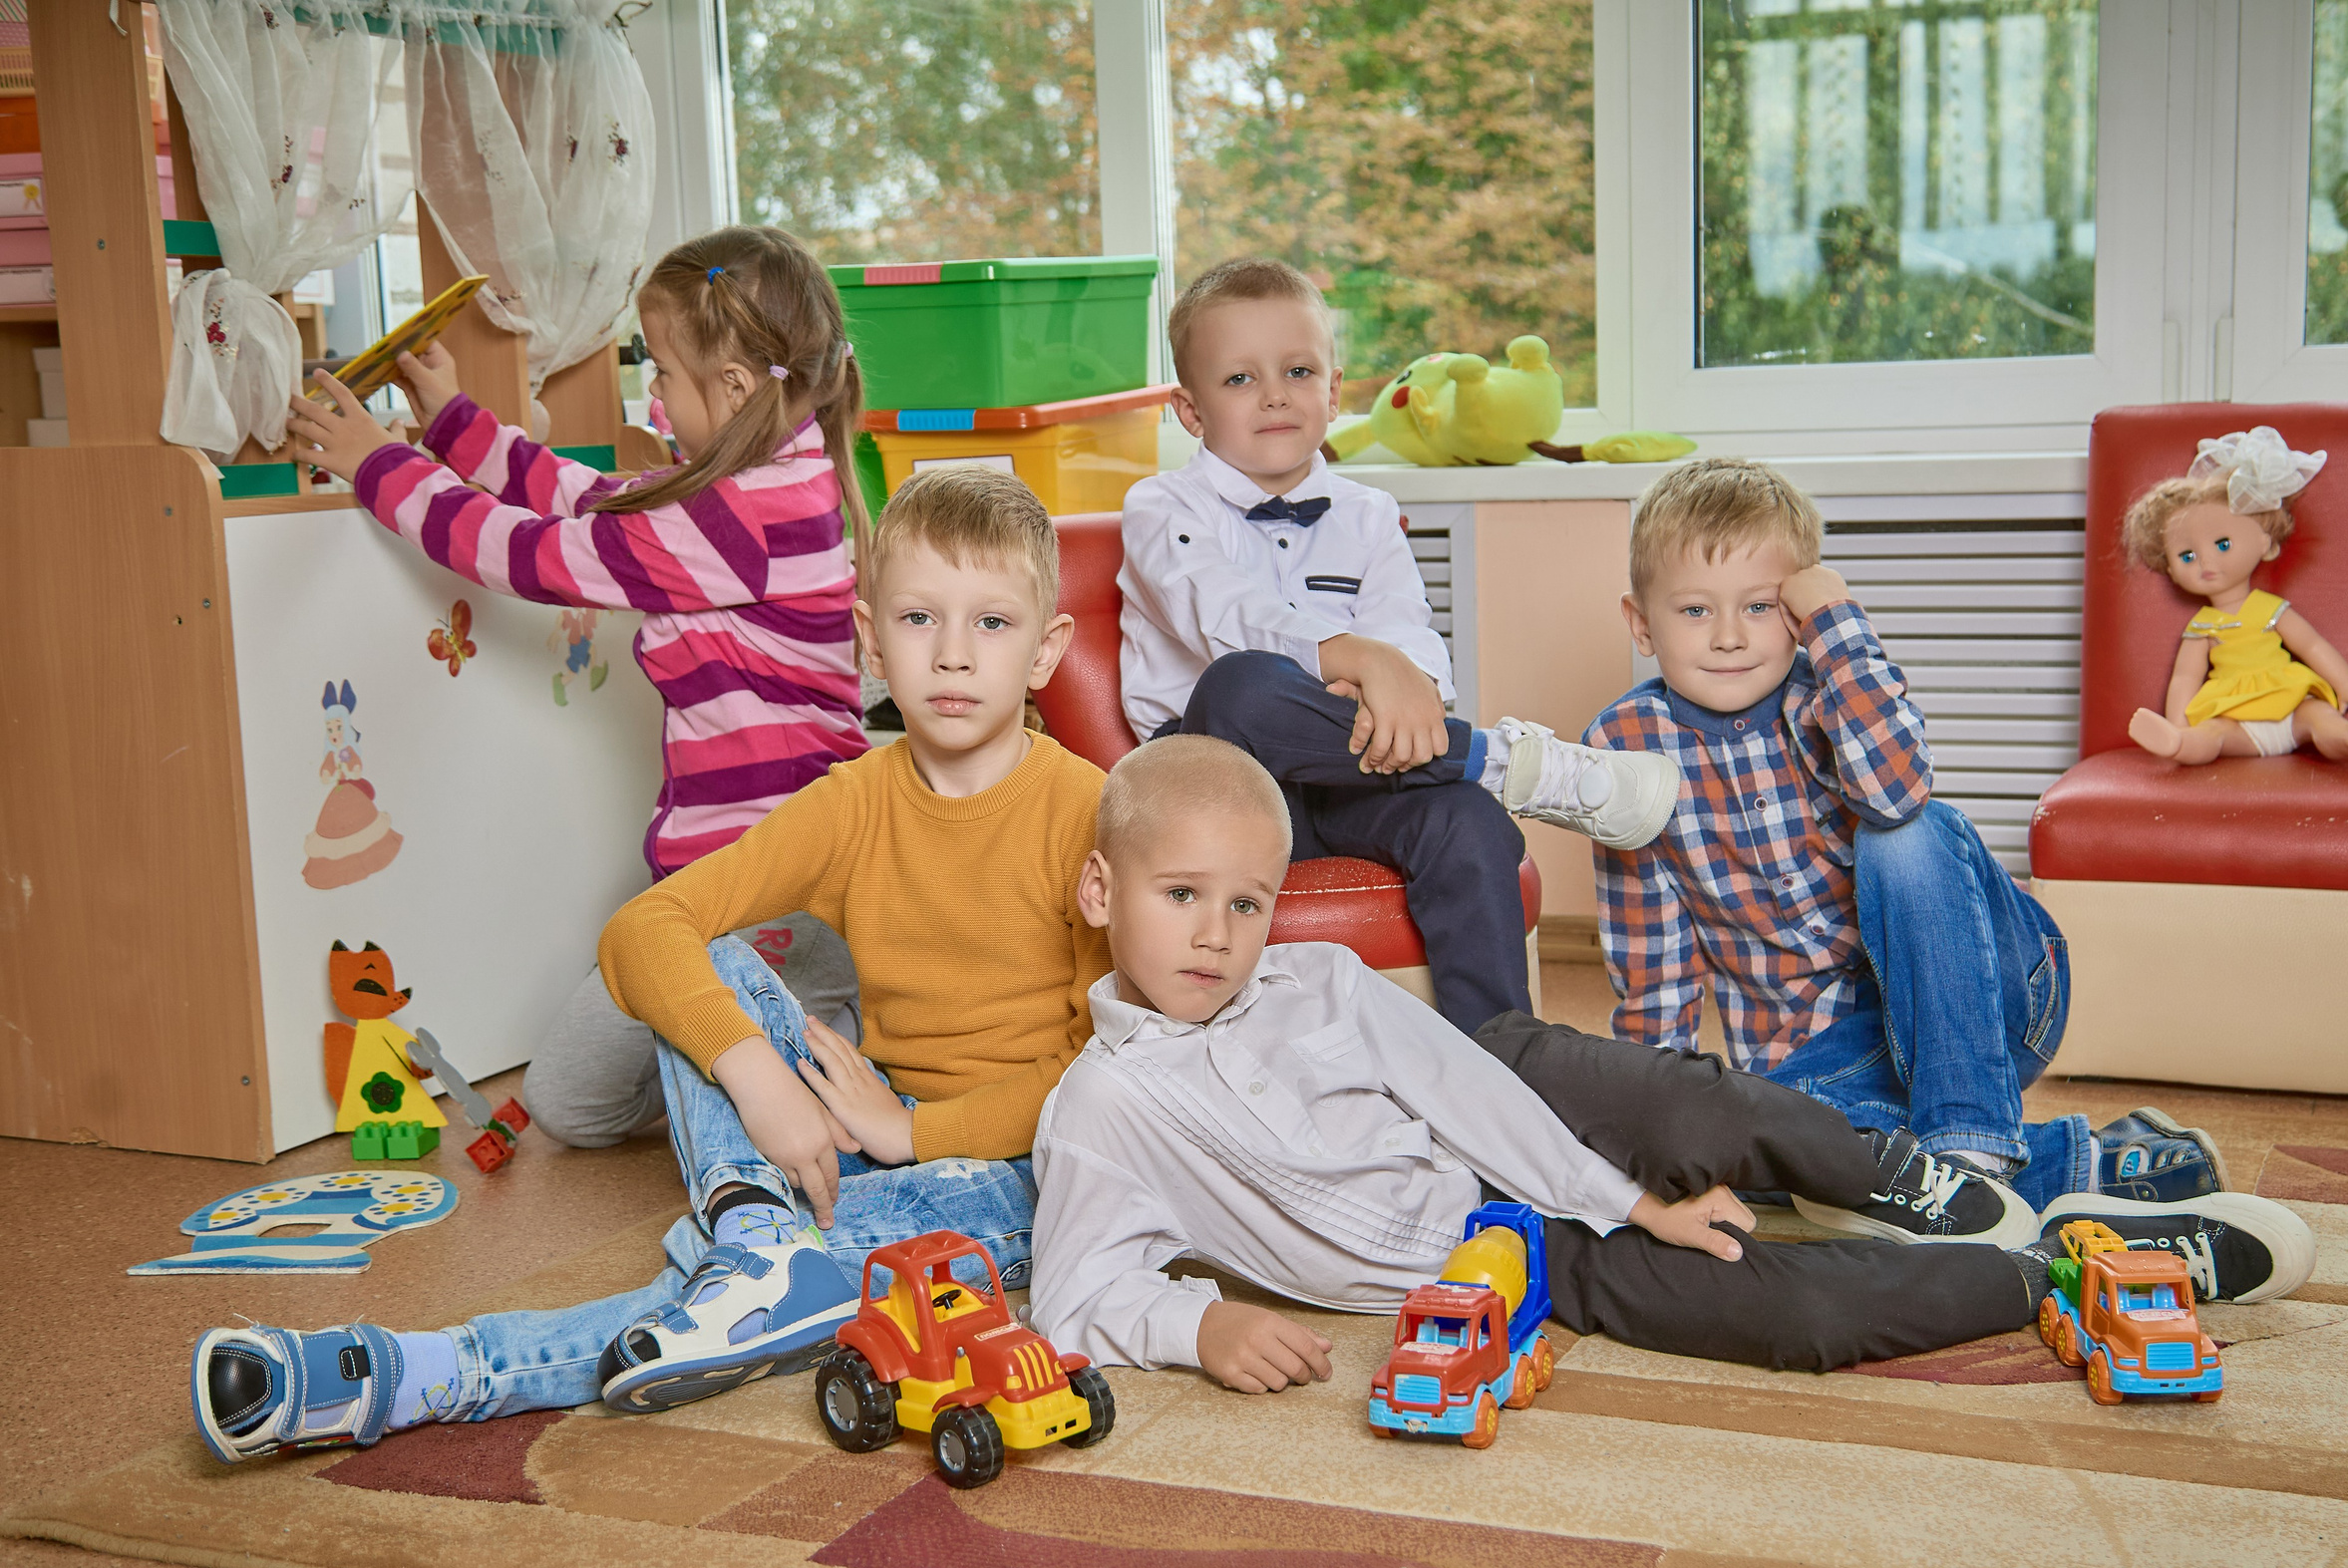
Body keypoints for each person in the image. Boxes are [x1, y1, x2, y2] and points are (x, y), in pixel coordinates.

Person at [189, 467, 1112, 1459]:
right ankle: (758, 1237)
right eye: (920, 618)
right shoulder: (853, 801)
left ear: (1045, 649)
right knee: (703, 958)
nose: (953, 653)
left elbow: (1103, 1065)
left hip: (1008, 1178)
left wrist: (912, 1131)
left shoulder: (1091, 809)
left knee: (708, 1285)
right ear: (871, 640)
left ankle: (417, 1371)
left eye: (991, 623)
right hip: (862, 1130)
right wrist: (755, 1074)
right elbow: (644, 930)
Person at [1026, 736, 2316, 1391]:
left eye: (1247, 902)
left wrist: (1630, 1194)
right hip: (1496, 1253)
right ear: (1099, 890)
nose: (1216, 933)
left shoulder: (1314, 979)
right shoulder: (1102, 1110)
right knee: (1797, 1318)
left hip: (1510, 1085)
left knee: (1691, 1106)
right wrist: (1196, 1323)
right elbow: (1075, 1295)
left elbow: (1461, 1091)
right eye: (1181, 894)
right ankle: (2054, 1267)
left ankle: (1896, 1173)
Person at [284, 224, 873, 1150]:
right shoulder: (763, 481)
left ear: (733, 387)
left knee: (583, 1102)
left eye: (663, 373)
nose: (654, 394)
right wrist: (453, 424)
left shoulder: (730, 520)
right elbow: (592, 496)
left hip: (770, 894)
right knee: (570, 1101)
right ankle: (775, 1054)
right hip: (747, 891)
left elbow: (523, 553)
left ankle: (822, 1050)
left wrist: (376, 464)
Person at [1587, 459, 2227, 1214]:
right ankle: (2087, 1164)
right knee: (1731, 1154)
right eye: (1695, 610)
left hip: (1982, 997)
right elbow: (1653, 960)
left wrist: (1835, 625)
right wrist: (1658, 1125)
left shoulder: (1830, 691)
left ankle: (1969, 1139)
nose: (1729, 637)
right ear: (1641, 622)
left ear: (1797, 609)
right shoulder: (1622, 750)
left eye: (1759, 606)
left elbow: (1896, 795)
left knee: (1904, 833)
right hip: (1829, 1067)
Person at [1115, 257, 1679, 1036]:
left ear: (1334, 391)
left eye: (1298, 371)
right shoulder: (1158, 505)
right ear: (1190, 409)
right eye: (1240, 378)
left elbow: (1407, 629)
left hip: (1354, 765)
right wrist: (1354, 657)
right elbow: (1222, 613)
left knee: (1468, 821)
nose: (1275, 394)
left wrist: (1400, 676)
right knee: (1242, 681)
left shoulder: (1369, 512)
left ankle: (1503, 1063)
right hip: (1216, 779)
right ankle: (1500, 761)